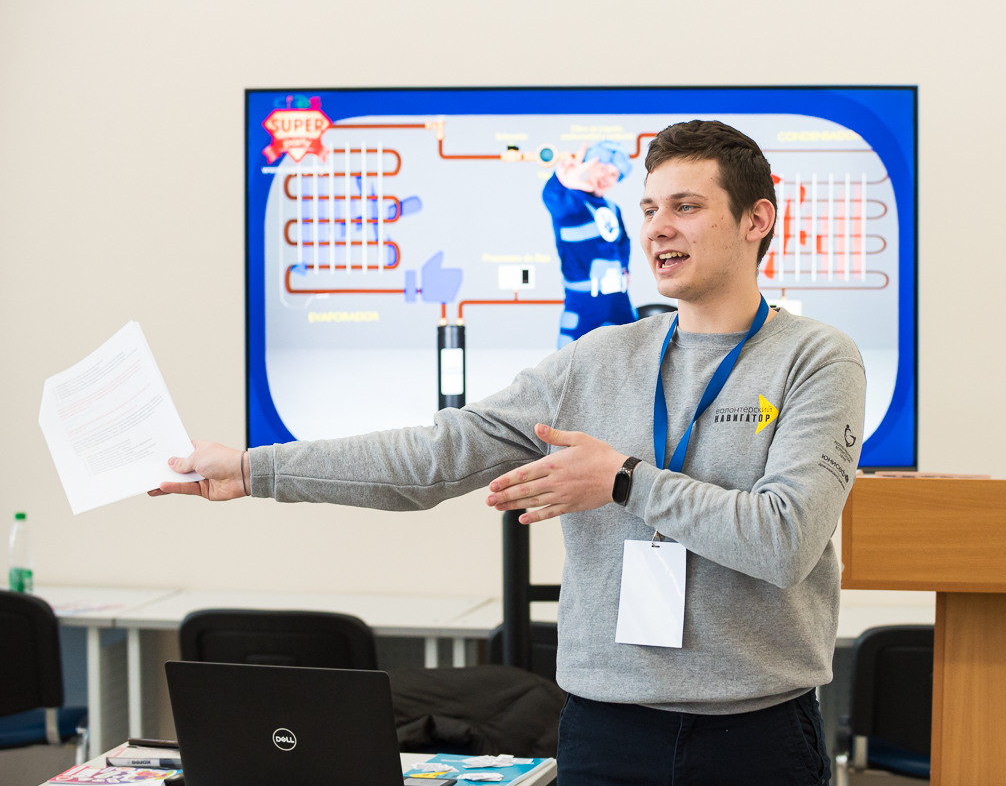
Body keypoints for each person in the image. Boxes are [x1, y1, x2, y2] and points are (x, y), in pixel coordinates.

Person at [152, 120, 865, 786]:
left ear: (756, 219)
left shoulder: (816, 359)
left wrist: (623, 480)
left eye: (686, 206)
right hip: (605, 731)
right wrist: (252, 469)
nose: (657, 228)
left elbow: (785, 539)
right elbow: (435, 457)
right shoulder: (596, 360)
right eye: (649, 208)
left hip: (757, 734)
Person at [542, 139, 637, 348]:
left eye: (613, 174)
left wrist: (625, 267)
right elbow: (553, 199)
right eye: (602, 168)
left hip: (618, 300)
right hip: (584, 302)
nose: (606, 177)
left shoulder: (612, 208)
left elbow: (623, 241)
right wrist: (560, 181)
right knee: (570, 359)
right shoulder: (571, 203)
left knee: (635, 353)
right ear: (590, 166)